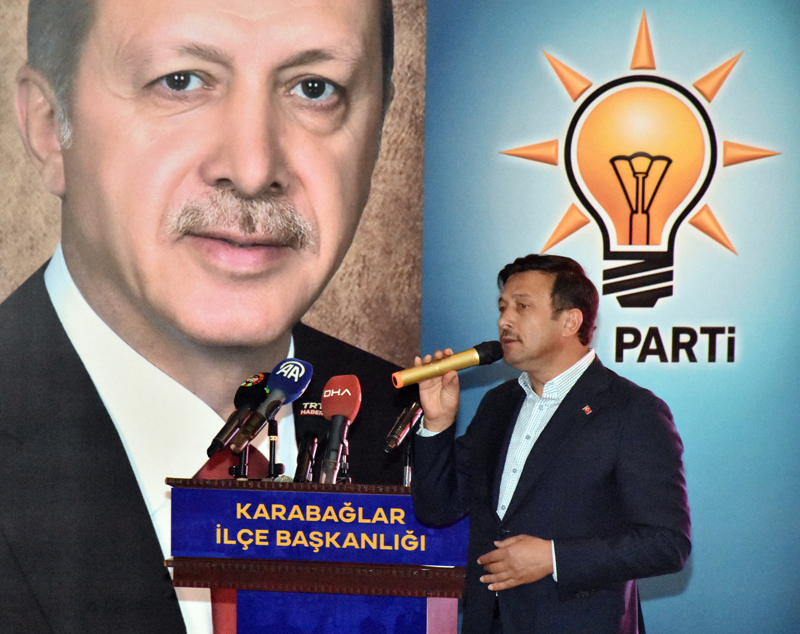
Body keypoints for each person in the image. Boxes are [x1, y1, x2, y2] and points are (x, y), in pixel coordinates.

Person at [0, 0, 414, 631]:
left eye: (314, 88)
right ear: (50, 125)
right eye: (181, 81)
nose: (251, 169)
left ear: (379, 130)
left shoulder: (441, 442)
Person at [411, 254, 691, 633]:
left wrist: (553, 558)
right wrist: (438, 423)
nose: (504, 321)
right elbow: (437, 509)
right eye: (502, 307)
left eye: (522, 306)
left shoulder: (631, 410)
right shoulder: (498, 404)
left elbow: (667, 544)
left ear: (570, 321)